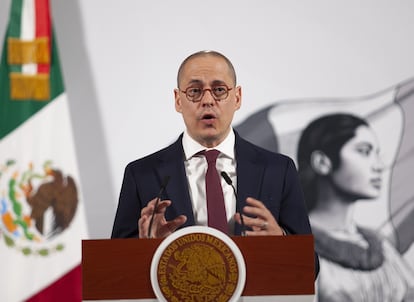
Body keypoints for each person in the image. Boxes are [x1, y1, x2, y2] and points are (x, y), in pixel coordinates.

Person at [111, 50, 318, 275]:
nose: (208, 100)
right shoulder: (142, 174)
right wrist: (148, 248)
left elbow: (310, 268)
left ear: (237, 97)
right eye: (194, 91)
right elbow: (115, 271)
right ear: (178, 100)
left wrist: (280, 241)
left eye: (219, 90)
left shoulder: (278, 170)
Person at [297, 113, 414, 301]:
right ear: (322, 162)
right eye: (364, 151)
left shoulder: (379, 246)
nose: (379, 166)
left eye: (377, 154)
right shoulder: (292, 243)